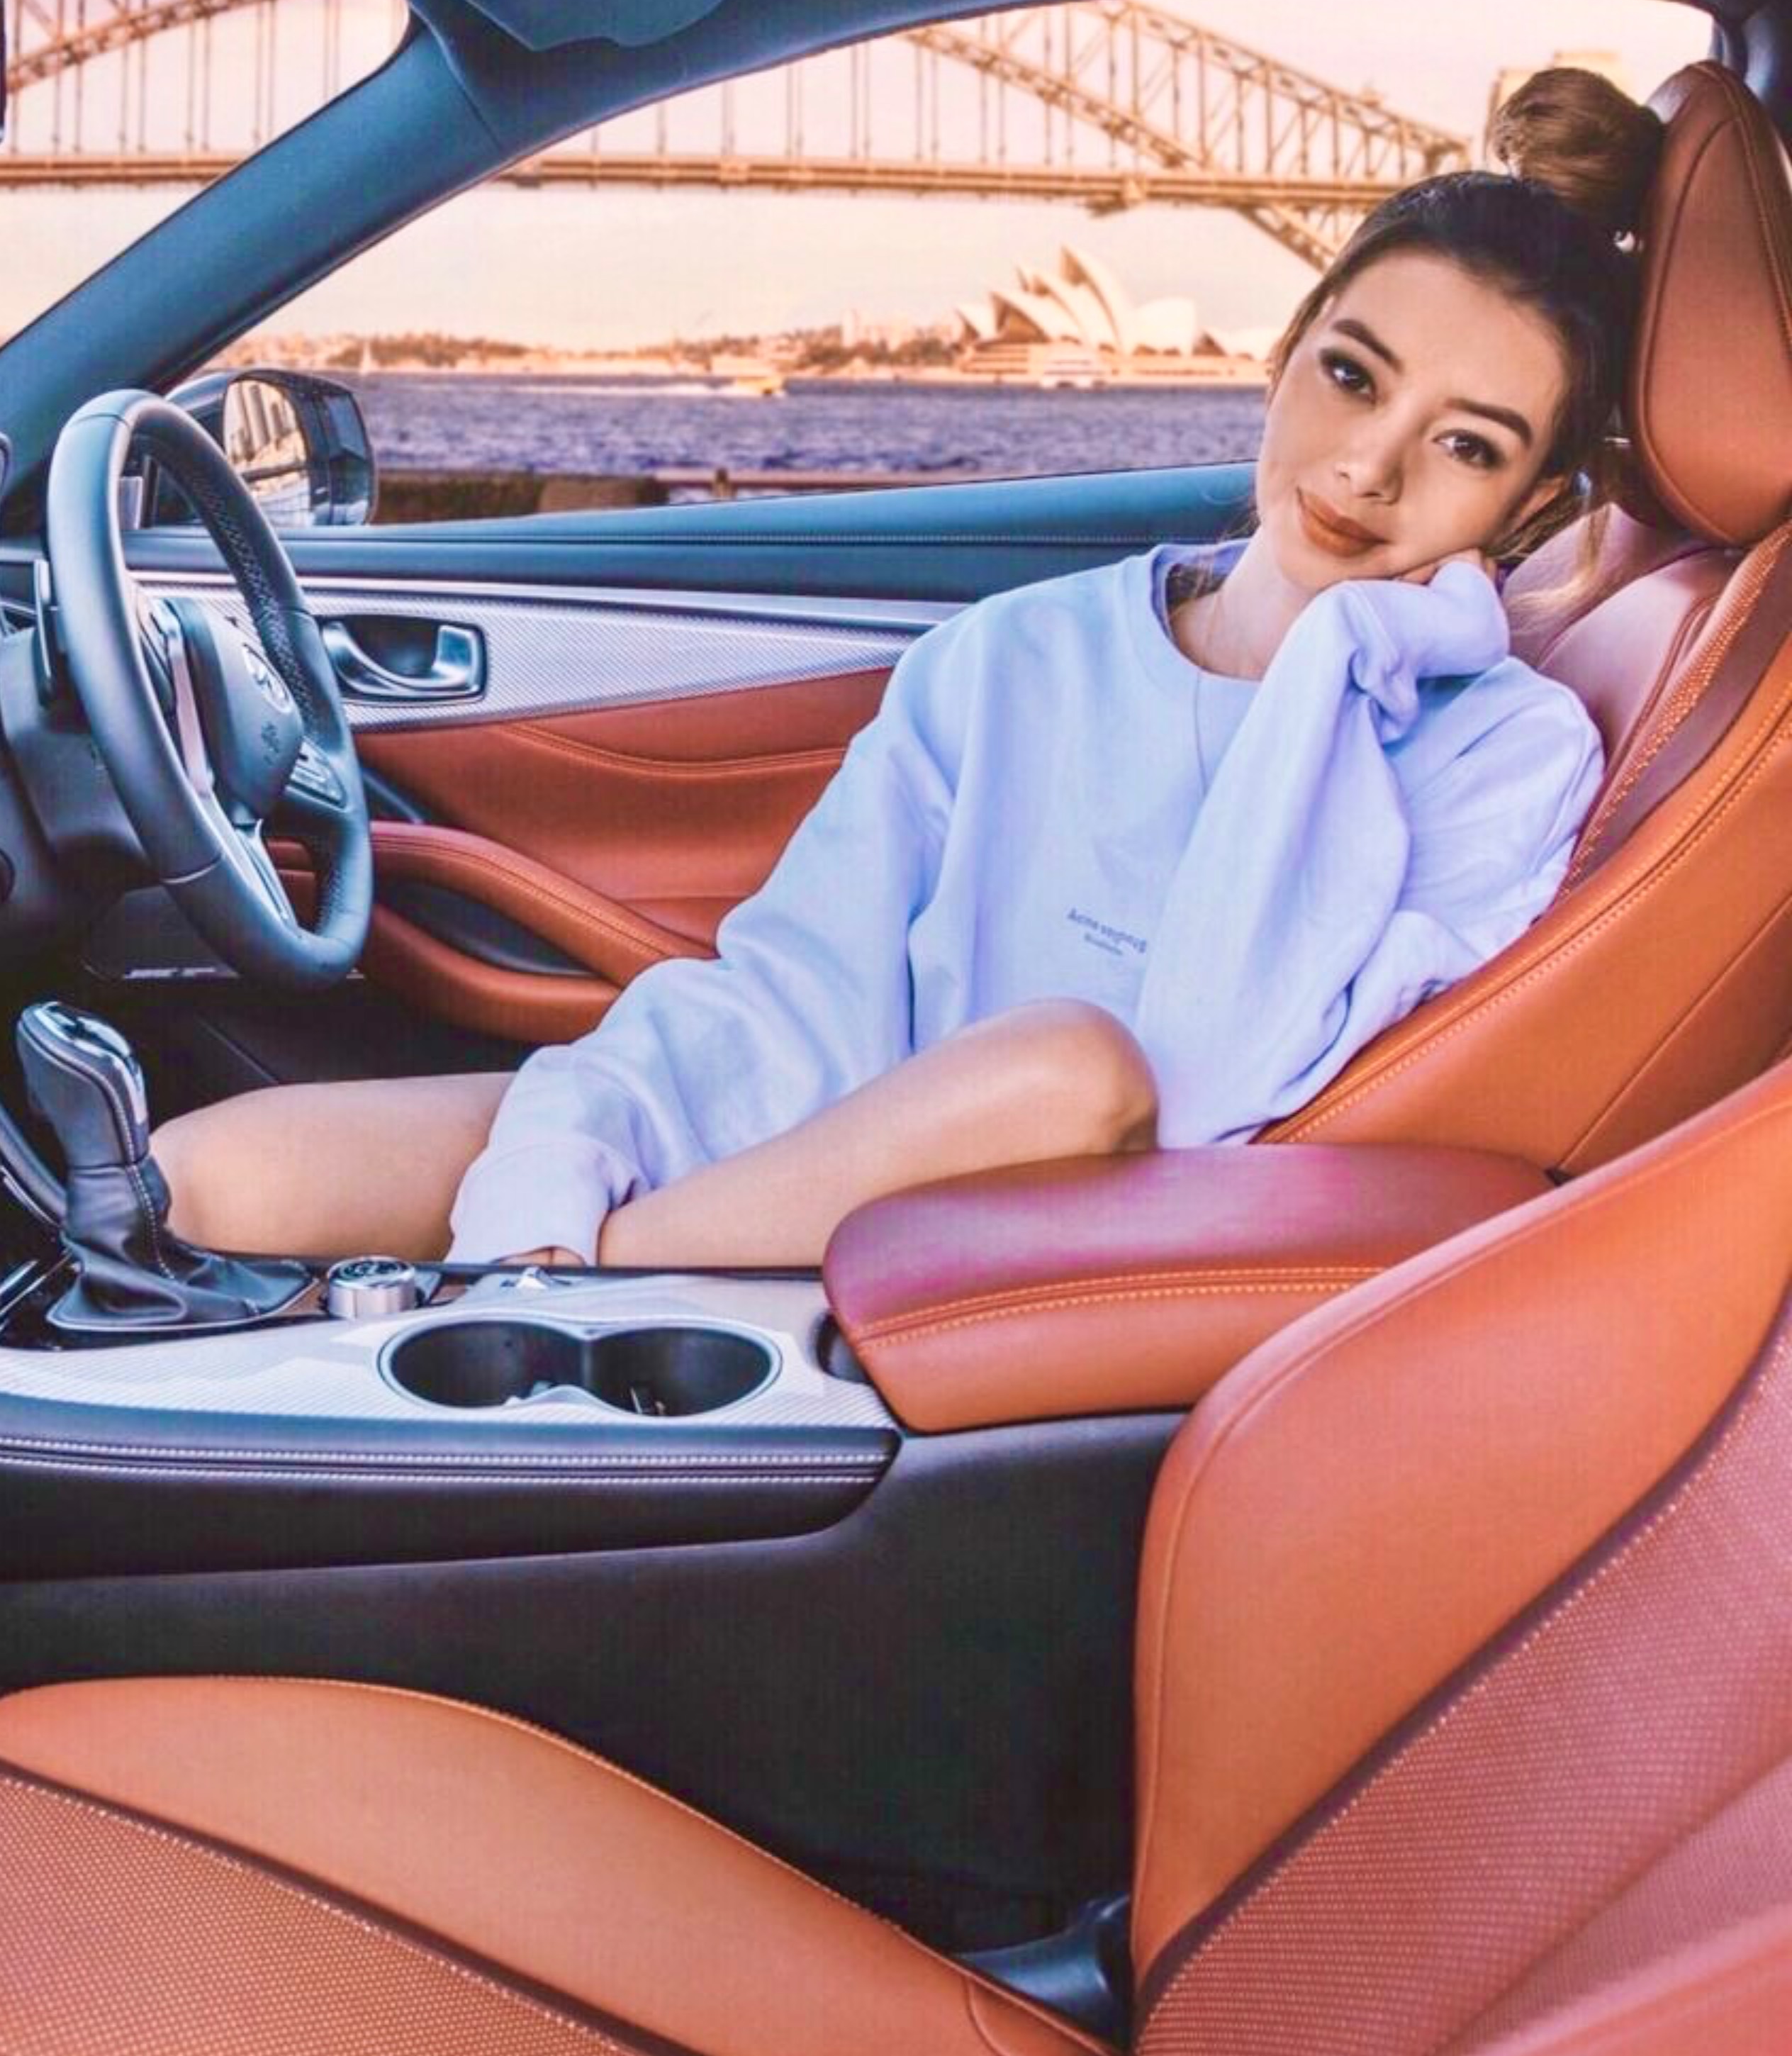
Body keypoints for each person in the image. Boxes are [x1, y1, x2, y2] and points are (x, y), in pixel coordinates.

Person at [153, 65, 1659, 1273]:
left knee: (1069, 1065)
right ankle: (552, 1256)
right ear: (1287, 350)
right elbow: (799, 989)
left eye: (1467, 447)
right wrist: (581, 1147)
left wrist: (1346, 653)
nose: (1371, 465)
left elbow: (1219, 1084)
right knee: (199, 1175)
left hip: (1017, 1257)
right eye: (1350, 374)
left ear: (1532, 505)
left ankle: (583, 1277)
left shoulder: (1508, 749)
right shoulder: (1017, 650)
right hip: (809, 1137)